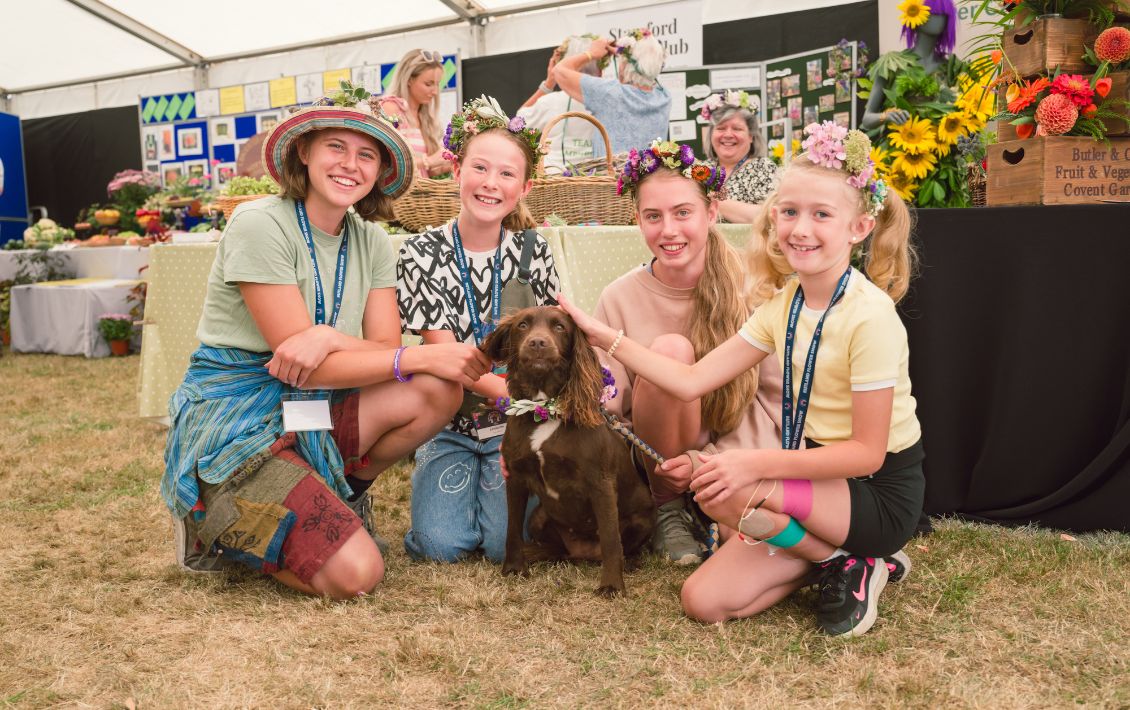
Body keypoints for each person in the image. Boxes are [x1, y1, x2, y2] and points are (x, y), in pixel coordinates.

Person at [561, 121, 922, 637]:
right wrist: (603, 337)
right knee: (701, 600)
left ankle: (863, 551)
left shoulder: (870, 315)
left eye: (822, 215)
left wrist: (745, 463)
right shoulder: (783, 306)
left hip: (873, 490)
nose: (801, 229)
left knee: (728, 484)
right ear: (773, 218)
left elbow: (867, 454)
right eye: (790, 212)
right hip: (812, 474)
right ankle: (844, 561)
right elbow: (689, 381)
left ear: (859, 228)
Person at [161, 96, 490, 600]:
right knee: (358, 575)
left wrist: (331, 336)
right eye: (335, 146)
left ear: (380, 172)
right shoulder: (259, 223)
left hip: (309, 409)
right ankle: (216, 525)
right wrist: (418, 353)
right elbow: (302, 369)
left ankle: (340, 497)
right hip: (239, 420)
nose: (349, 164)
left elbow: (380, 349)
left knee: (435, 391)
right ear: (304, 153)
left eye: (367, 155)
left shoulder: (374, 241)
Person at [595, 139, 783, 566]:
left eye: (683, 213)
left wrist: (708, 462)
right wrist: (657, 469)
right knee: (670, 352)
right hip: (657, 462)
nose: (669, 230)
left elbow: (772, 400)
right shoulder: (618, 297)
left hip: (734, 455)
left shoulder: (753, 286)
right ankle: (667, 509)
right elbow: (610, 409)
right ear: (637, 220)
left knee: (756, 541)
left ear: (712, 213)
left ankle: (712, 508)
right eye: (653, 216)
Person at [397, 95, 561, 563]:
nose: (492, 184)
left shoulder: (534, 251)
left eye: (507, 174)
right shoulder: (421, 253)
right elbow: (449, 361)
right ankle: (440, 481)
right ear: (456, 171)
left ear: (524, 187)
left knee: (499, 545)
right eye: (480, 168)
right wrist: (522, 397)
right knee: (441, 547)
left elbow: (549, 345)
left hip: (516, 424)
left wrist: (535, 410)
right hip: (448, 421)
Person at [551, 28, 670, 158]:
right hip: (651, 177)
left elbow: (559, 70)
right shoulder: (664, 97)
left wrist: (591, 53)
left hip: (613, 178)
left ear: (625, 65)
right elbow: (647, 73)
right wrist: (625, 55)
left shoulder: (610, 93)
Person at [861, 0, 956, 131]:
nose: (938, 18)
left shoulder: (951, 68)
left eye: (943, 13)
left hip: (941, 147)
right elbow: (867, 120)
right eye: (932, 12)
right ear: (914, 14)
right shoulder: (891, 63)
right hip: (900, 145)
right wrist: (886, 115)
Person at [517, 35, 603, 174]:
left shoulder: (550, 102)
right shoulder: (609, 102)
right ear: (600, 71)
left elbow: (518, 123)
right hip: (597, 182)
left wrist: (549, 82)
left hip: (554, 182)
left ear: (562, 69)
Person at [700, 90, 778, 224]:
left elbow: (768, 215)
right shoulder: (702, 169)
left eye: (737, 128)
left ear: (751, 136)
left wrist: (710, 199)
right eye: (721, 128)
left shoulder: (764, 168)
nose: (728, 134)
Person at [378, 48, 454, 177]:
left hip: (418, 196)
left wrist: (447, 164)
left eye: (437, 84)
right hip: (395, 196)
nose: (435, 92)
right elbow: (384, 161)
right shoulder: (391, 108)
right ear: (409, 79)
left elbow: (425, 171)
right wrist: (428, 161)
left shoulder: (425, 118)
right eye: (428, 84)